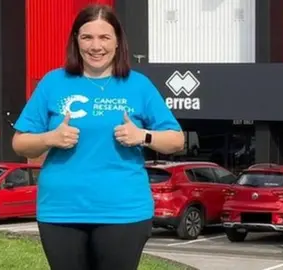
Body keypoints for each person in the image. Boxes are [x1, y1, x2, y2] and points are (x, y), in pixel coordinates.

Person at [11, 4, 184, 270]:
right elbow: (20, 143)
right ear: (76, 41)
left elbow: (176, 140)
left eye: (104, 37)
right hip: (61, 211)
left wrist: (143, 136)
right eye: (87, 37)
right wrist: (50, 138)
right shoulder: (53, 82)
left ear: (117, 43)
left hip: (123, 211)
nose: (96, 46)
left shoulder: (138, 85)